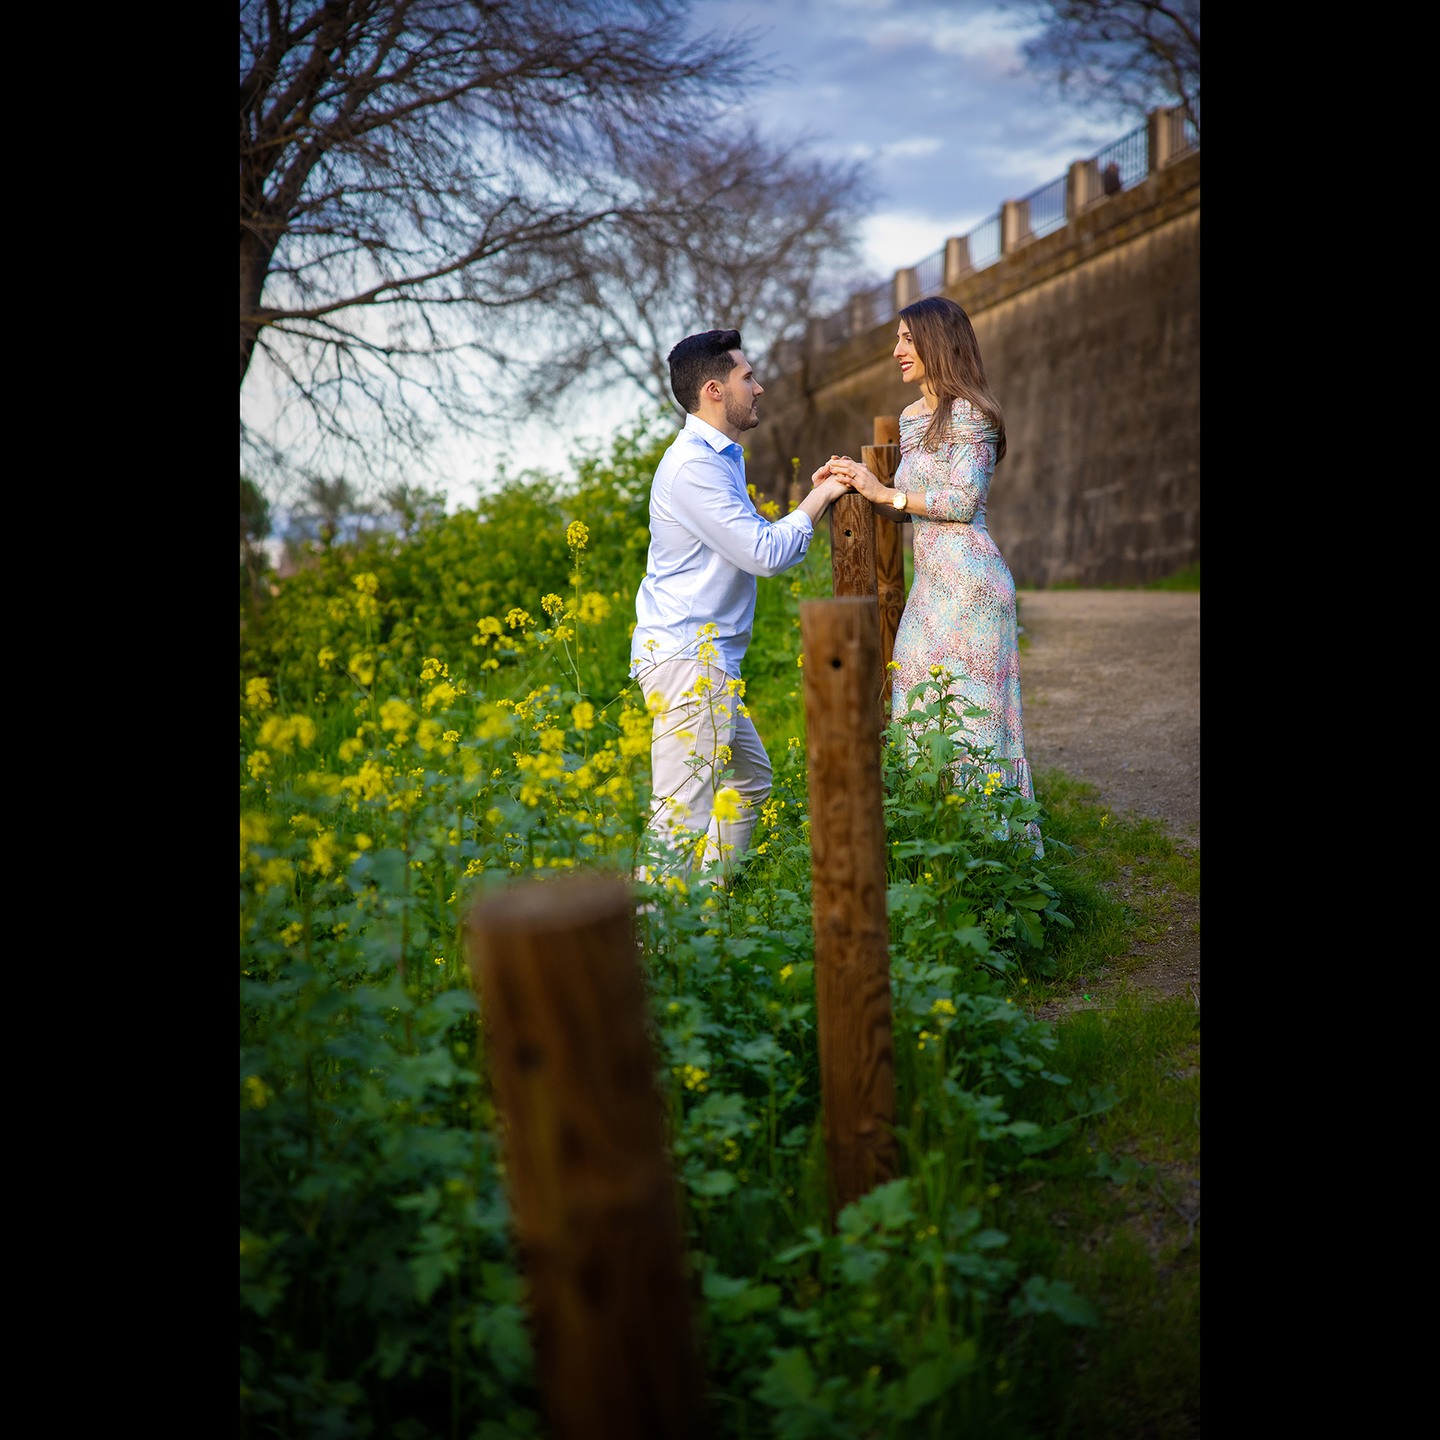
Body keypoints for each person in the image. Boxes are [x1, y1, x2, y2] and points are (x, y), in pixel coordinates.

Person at [823, 296, 1042, 854]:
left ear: (936, 343)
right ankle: (939, 842)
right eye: (896, 339)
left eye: (906, 339)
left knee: (975, 723)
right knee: (918, 707)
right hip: (930, 588)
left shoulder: (975, 412)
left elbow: (962, 501)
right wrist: (855, 479)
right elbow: (903, 506)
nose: (896, 350)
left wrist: (884, 490)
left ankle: (997, 856)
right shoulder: (911, 417)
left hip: (971, 583)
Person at [631, 329, 849, 880]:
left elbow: (751, 540)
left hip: (703, 660)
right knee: (678, 818)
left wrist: (809, 499)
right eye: (746, 377)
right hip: (688, 661)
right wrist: (820, 497)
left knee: (748, 782)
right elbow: (763, 553)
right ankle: (655, 954)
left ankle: (703, 914)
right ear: (713, 390)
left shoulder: (720, 458)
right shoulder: (694, 467)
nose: (760, 387)